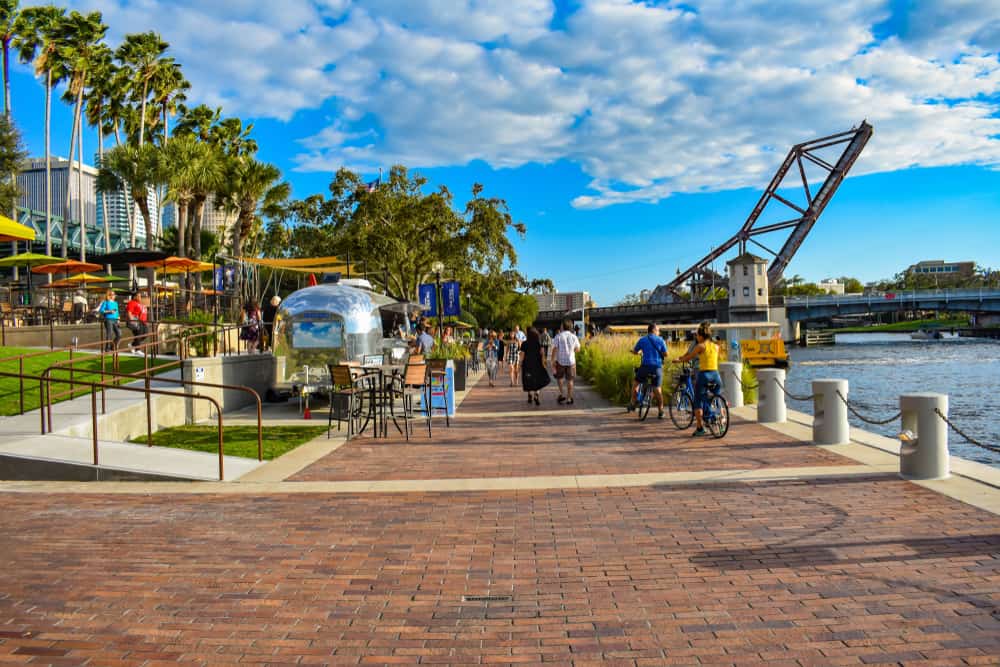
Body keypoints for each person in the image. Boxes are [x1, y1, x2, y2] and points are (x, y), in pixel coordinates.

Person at [676, 321, 722, 436]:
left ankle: (700, 428)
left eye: (697, 335)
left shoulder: (700, 346)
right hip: (716, 376)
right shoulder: (716, 346)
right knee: (715, 397)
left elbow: (689, 357)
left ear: (701, 336)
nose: (696, 337)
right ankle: (720, 422)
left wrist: (679, 360)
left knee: (697, 401)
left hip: (704, 375)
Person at [628, 323, 669, 418]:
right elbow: (666, 354)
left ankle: (633, 403)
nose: (659, 332)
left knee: (635, 384)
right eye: (658, 330)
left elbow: (635, 351)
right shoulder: (661, 340)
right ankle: (661, 411)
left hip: (645, 367)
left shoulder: (642, 340)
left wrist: (639, 352)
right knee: (658, 389)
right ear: (654, 330)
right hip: (657, 368)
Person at [550, 318, 581, 405]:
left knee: (559, 378)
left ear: (563, 326)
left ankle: (562, 393)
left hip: (560, 361)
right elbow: (578, 349)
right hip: (571, 362)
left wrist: (552, 360)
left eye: (561, 325)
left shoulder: (558, 336)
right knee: (570, 380)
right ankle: (569, 398)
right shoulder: (574, 336)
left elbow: (554, 349)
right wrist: (572, 351)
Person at [519, 327, 549, 405]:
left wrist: (519, 365)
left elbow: (522, 355)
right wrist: (544, 363)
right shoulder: (539, 343)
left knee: (528, 379)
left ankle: (529, 394)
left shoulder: (524, 343)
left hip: (527, 364)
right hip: (537, 364)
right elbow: (542, 354)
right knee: (538, 379)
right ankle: (536, 394)